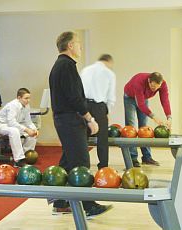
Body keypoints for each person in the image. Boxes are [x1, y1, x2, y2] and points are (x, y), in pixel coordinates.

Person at [49, 31, 112, 217]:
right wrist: (89, 118)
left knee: (68, 161)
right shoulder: (66, 66)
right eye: (78, 43)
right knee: (81, 162)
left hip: (65, 119)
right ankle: (88, 205)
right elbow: (74, 97)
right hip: (69, 119)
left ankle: (60, 202)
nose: (80, 47)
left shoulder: (61, 65)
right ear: (70, 45)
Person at [124, 72, 172, 167]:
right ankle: (133, 158)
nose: (154, 89)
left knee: (144, 128)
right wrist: (154, 117)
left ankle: (147, 157)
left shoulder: (162, 84)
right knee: (131, 127)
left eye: (157, 87)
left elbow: (165, 100)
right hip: (129, 97)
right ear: (149, 81)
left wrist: (169, 117)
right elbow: (141, 105)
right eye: (153, 87)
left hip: (143, 97)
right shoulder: (139, 82)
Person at [80, 54, 116, 169]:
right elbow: (111, 97)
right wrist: (107, 112)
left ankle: (83, 166)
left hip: (84, 104)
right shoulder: (109, 73)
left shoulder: (85, 70)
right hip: (99, 106)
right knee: (102, 138)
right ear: (109, 62)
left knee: (82, 137)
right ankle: (103, 166)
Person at [0, 88, 38, 167]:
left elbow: (28, 121)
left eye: (29, 98)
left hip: (11, 126)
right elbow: (11, 122)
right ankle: (18, 160)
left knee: (32, 133)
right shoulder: (13, 105)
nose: (28, 100)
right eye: (26, 98)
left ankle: (26, 156)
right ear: (19, 98)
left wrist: (34, 130)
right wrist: (27, 130)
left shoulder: (27, 106)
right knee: (14, 131)